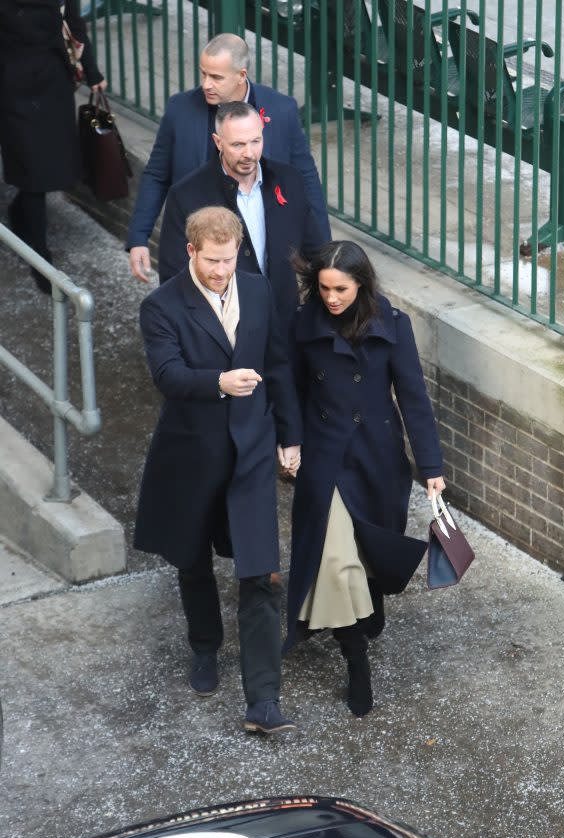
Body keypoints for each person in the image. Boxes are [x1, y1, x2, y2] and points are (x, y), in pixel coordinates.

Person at [134, 206, 302, 734]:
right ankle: (204, 648)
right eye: (211, 261)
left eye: (227, 260)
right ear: (191, 251)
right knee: (193, 560)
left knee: (258, 571)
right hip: (192, 453)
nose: (220, 271)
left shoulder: (254, 288)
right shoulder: (161, 306)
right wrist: (218, 383)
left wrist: (289, 435)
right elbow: (167, 375)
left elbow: (277, 365)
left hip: (251, 451)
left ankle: (264, 701)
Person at [283, 240, 446, 718]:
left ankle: (369, 603)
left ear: (362, 285)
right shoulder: (303, 325)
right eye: (324, 288)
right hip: (325, 458)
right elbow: (289, 389)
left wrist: (432, 468)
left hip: (377, 458)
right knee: (334, 560)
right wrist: (290, 440)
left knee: (369, 548)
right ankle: (356, 661)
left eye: (341, 289)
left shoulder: (393, 327)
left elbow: (413, 398)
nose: (331, 298)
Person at [127, 32, 330, 282]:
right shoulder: (179, 109)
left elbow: (306, 178)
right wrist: (139, 237)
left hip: (261, 251)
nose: (206, 84)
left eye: (216, 77)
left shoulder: (282, 109)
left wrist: (325, 254)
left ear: (241, 76)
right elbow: (157, 174)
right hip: (199, 249)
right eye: (203, 74)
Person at [158, 101, 325, 330]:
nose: (249, 153)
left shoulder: (289, 180)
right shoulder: (186, 196)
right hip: (226, 334)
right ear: (218, 142)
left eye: (255, 141)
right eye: (237, 144)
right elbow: (173, 276)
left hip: (285, 328)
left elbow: (316, 253)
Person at [0, 0, 106, 294]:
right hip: (14, 87)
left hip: (50, 83)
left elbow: (75, 25)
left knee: (46, 164)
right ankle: (39, 256)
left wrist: (93, 72)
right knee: (32, 170)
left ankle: (20, 212)